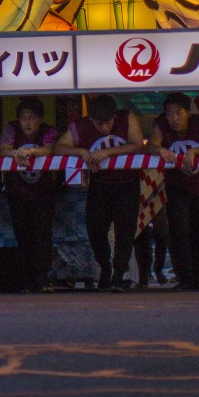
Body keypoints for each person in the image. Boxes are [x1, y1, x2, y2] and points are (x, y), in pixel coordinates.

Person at [56, 93, 149, 291]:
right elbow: (59, 147)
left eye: (108, 122)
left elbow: (138, 145)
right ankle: (105, 266)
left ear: (115, 116)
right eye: (99, 124)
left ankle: (118, 274)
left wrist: (107, 153)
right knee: (95, 228)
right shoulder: (79, 126)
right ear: (91, 119)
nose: (105, 128)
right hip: (99, 185)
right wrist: (82, 152)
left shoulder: (127, 118)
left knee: (126, 230)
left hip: (127, 183)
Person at [150, 92, 199, 291]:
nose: (173, 119)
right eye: (169, 114)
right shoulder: (160, 125)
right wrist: (161, 151)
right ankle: (185, 278)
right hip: (176, 186)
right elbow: (150, 146)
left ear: (187, 113)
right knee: (178, 231)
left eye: (178, 113)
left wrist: (195, 151)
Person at [0, 98, 60, 293]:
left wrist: (30, 150)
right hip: (16, 192)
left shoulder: (49, 131)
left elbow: (50, 150)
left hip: (42, 192)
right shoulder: (11, 129)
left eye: (31, 118)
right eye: (23, 117)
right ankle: (26, 280)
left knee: (42, 234)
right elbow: (3, 149)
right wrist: (14, 153)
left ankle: (44, 279)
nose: (27, 122)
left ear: (40, 119)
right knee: (22, 235)